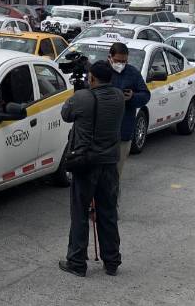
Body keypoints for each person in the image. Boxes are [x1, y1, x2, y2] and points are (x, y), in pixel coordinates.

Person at [59, 60, 125, 277]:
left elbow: (66, 114)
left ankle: (77, 262)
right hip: (110, 163)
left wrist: (78, 92)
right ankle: (112, 261)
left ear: (92, 78)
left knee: (80, 213)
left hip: (86, 163)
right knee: (108, 213)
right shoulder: (119, 96)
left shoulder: (83, 97)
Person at [108, 42, 150, 179]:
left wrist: (133, 97)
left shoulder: (133, 73)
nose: (120, 64)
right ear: (110, 57)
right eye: (117, 61)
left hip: (123, 131)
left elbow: (145, 95)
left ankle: (113, 193)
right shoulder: (102, 71)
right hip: (102, 133)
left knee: (115, 174)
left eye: (124, 61)